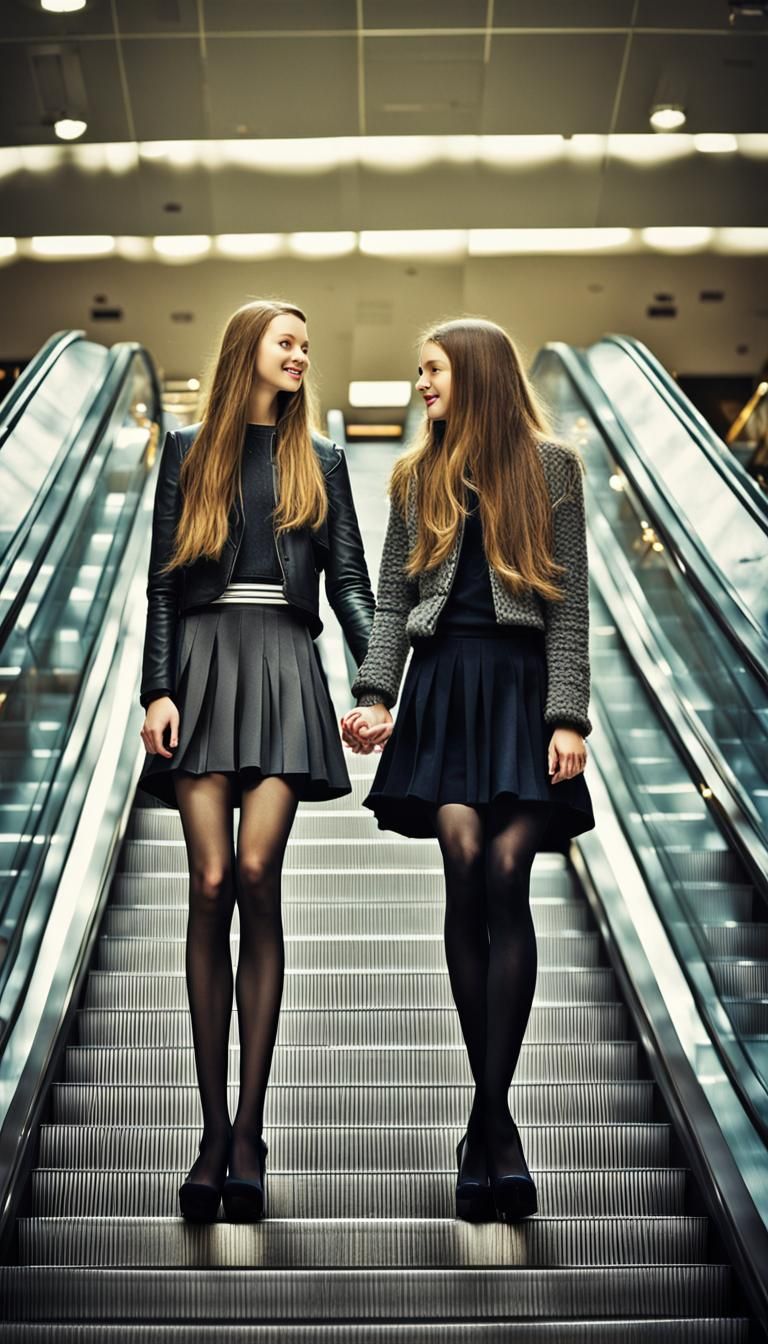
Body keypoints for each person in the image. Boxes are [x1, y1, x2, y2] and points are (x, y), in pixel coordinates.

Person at [341, 317, 594, 1224]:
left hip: (525, 694)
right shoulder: (416, 475)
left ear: (479, 374)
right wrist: (376, 692)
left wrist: (569, 715)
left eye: (433, 370)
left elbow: (571, 602)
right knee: (462, 861)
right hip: (446, 684)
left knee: (505, 872)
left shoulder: (552, 468)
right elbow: (396, 596)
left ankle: (491, 1122)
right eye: (418, 371)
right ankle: (494, 1131)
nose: (420, 384)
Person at [138, 299, 374, 1223]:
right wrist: (156, 689)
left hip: (282, 662)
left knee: (253, 870)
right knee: (206, 881)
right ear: (249, 350)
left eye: (308, 346)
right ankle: (208, 1133)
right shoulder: (188, 448)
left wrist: (374, 681)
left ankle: (249, 1127)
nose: (301, 356)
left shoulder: (322, 461)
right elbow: (161, 578)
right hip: (198, 664)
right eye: (288, 343)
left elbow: (350, 577)